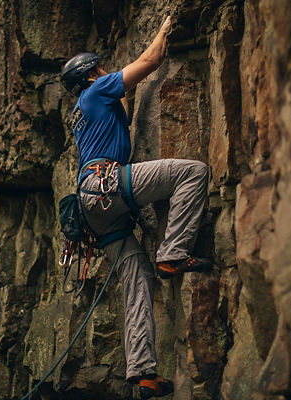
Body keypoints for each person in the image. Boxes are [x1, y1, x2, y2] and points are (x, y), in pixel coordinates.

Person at [60, 16, 212, 400]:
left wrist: (126, 86)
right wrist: (165, 26)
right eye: (102, 68)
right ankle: (175, 251)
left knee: (137, 274)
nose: (108, 71)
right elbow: (150, 61)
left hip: (93, 206)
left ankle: (144, 374)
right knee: (193, 172)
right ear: (92, 73)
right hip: (109, 185)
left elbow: (124, 114)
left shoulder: (85, 108)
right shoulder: (95, 91)